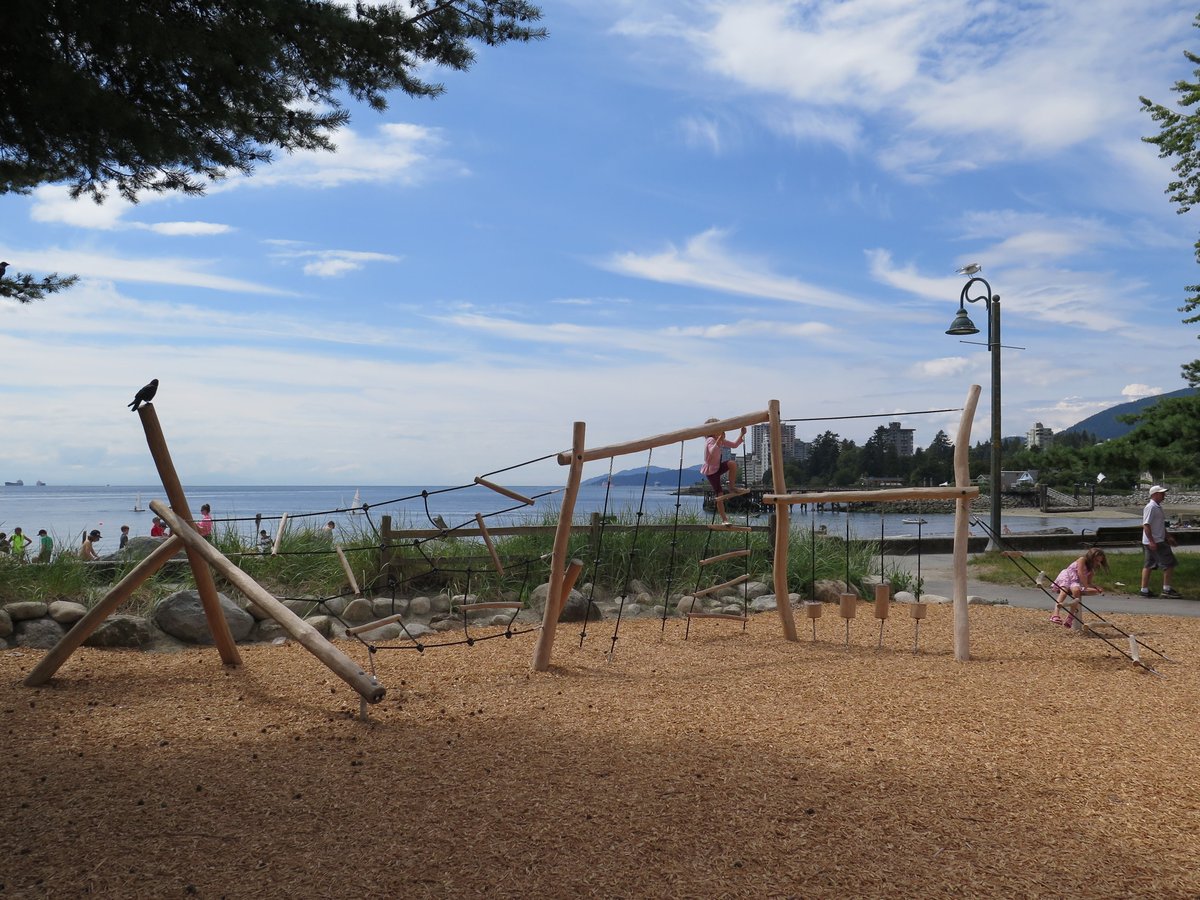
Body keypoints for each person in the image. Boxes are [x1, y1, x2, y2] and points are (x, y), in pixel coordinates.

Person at [700, 417, 747, 526]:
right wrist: (718, 440)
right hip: (711, 472)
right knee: (719, 494)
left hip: (717, 467)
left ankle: (731, 486)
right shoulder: (710, 440)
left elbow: (734, 445)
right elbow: (712, 451)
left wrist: (741, 434)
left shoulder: (719, 440)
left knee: (732, 463)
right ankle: (724, 519)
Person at [1049, 548, 1108, 627]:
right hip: (1067, 576)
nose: (1097, 563)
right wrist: (1086, 587)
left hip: (1075, 582)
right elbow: (1080, 573)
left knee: (1076, 591)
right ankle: (1055, 614)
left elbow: (1088, 583)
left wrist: (1096, 587)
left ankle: (1070, 617)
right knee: (1064, 591)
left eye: (1099, 561)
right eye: (1096, 560)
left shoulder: (1091, 571)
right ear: (1091, 558)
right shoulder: (1082, 560)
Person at [1141, 485, 1181, 598]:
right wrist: (1152, 541)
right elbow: (1146, 525)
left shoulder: (1157, 507)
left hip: (1155, 540)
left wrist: (1168, 536)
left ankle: (1144, 590)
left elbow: (1159, 525)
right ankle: (1166, 589)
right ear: (1155, 494)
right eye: (1162, 493)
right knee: (1169, 563)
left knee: (1149, 564)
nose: (1164, 495)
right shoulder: (1151, 507)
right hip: (1156, 541)